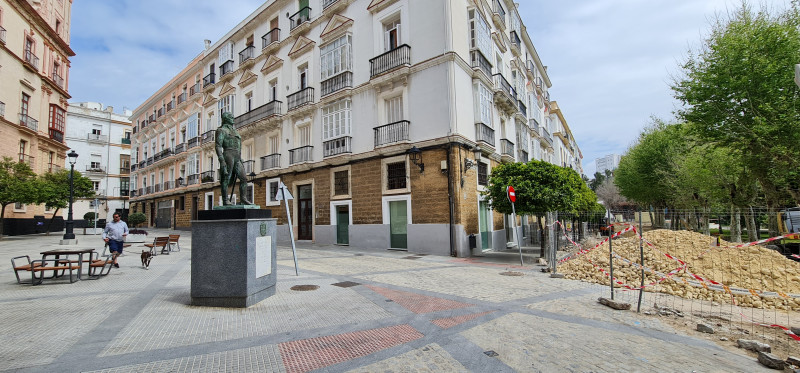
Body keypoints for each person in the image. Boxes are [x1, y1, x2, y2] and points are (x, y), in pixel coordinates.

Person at [215, 111, 252, 205]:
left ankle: (243, 199)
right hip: (228, 154)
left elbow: (239, 145)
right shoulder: (221, 130)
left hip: (237, 157)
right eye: (230, 117)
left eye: (232, 117)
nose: (233, 118)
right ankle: (225, 200)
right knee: (226, 178)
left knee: (244, 178)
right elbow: (218, 146)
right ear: (225, 119)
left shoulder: (235, 131)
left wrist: (240, 157)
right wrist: (221, 160)